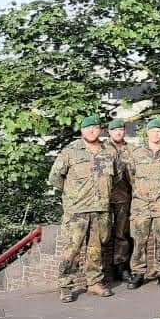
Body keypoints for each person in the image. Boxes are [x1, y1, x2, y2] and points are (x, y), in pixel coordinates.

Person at [48, 115, 117, 303]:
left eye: (96, 128)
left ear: (100, 130)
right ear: (82, 131)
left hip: (100, 208)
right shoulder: (70, 151)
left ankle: (94, 283)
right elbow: (55, 177)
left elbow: (116, 177)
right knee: (72, 249)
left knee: (96, 249)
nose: (92, 131)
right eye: (89, 128)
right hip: (77, 210)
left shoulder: (109, 152)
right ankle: (66, 286)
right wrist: (73, 195)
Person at [126, 117, 160, 290]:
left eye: (159, 131)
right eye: (153, 131)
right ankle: (138, 273)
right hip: (141, 205)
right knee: (139, 240)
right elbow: (130, 177)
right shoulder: (136, 154)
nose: (156, 134)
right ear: (147, 133)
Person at [105, 118, 132, 282]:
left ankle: (121, 266)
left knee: (122, 233)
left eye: (121, 129)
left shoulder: (132, 150)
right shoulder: (101, 149)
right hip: (103, 197)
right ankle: (100, 268)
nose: (118, 132)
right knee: (102, 233)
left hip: (123, 197)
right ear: (109, 132)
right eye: (115, 130)